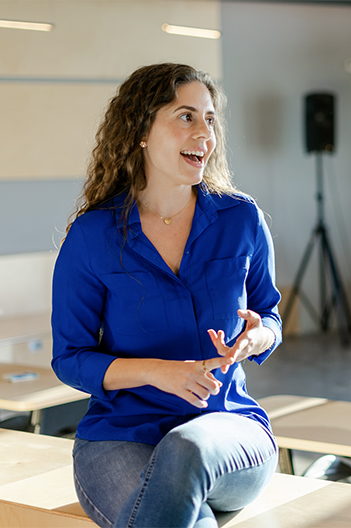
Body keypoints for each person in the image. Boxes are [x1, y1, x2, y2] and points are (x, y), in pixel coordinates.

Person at [51, 63, 282, 528]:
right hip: (121, 436)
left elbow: (269, 316)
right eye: (186, 116)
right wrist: (160, 373)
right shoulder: (93, 235)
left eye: (210, 119)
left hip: (227, 428)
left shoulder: (242, 219)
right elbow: (70, 357)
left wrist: (258, 337)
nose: (205, 133)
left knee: (186, 449)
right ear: (140, 130)